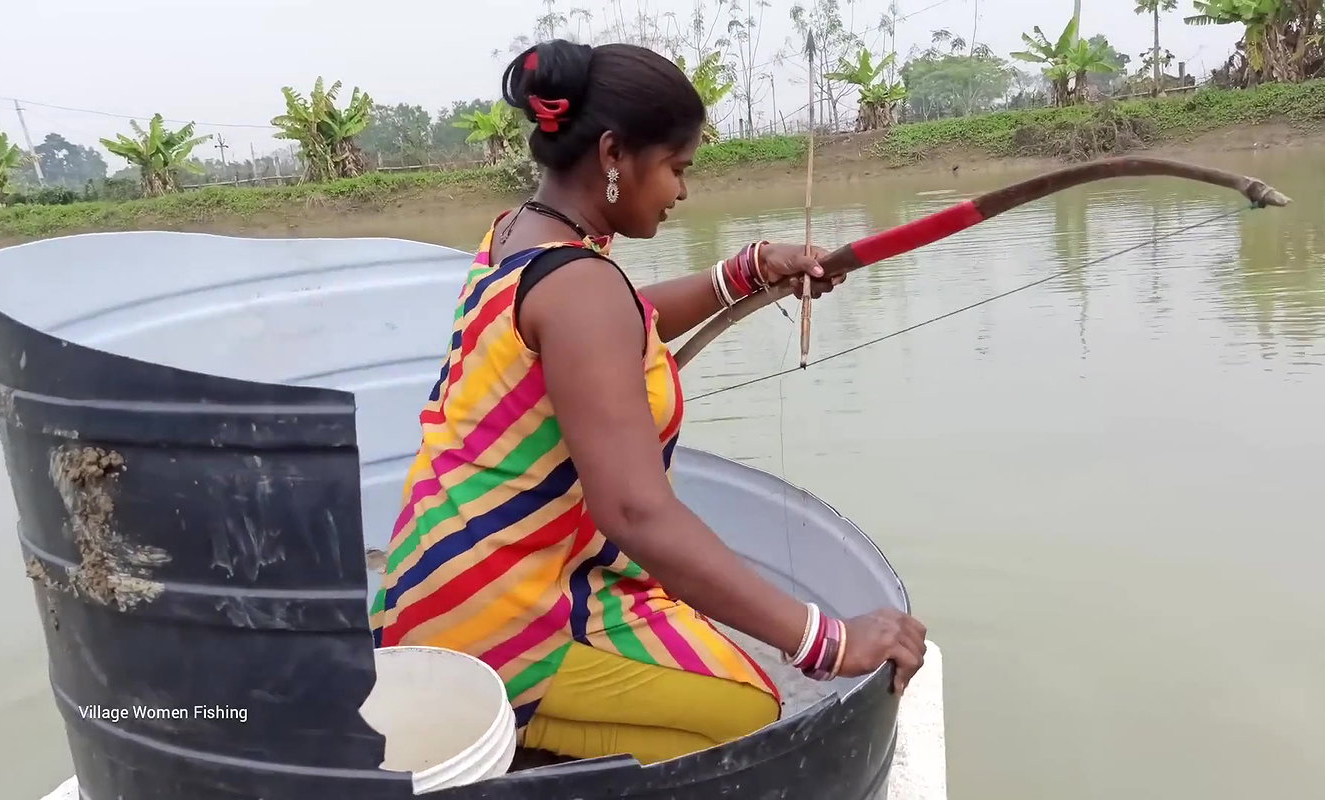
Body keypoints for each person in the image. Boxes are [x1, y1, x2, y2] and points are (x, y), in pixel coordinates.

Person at [370, 39, 927, 766]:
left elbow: (616, 324)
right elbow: (634, 511)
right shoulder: (581, 286)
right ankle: (513, 738)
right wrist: (829, 641)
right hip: (491, 611)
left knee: (704, 652)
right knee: (746, 714)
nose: (681, 193)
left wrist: (746, 272)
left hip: (439, 568)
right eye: (677, 167)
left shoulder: (518, 236)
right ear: (613, 154)